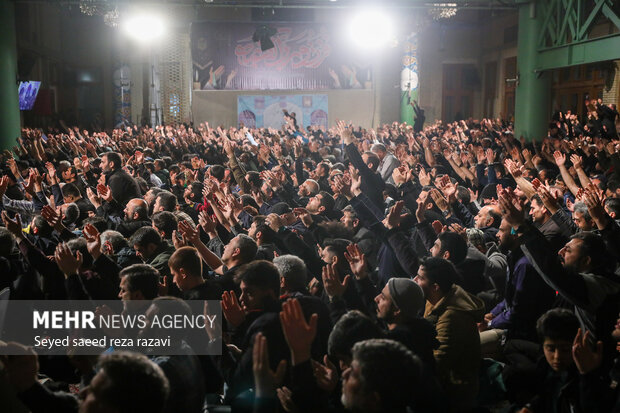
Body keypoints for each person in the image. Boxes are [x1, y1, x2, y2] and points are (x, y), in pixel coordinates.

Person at [414, 257, 484, 412]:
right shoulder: (436, 299)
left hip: (455, 392)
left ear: (435, 287)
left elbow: (437, 363)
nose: (414, 280)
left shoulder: (452, 317)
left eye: (420, 278)